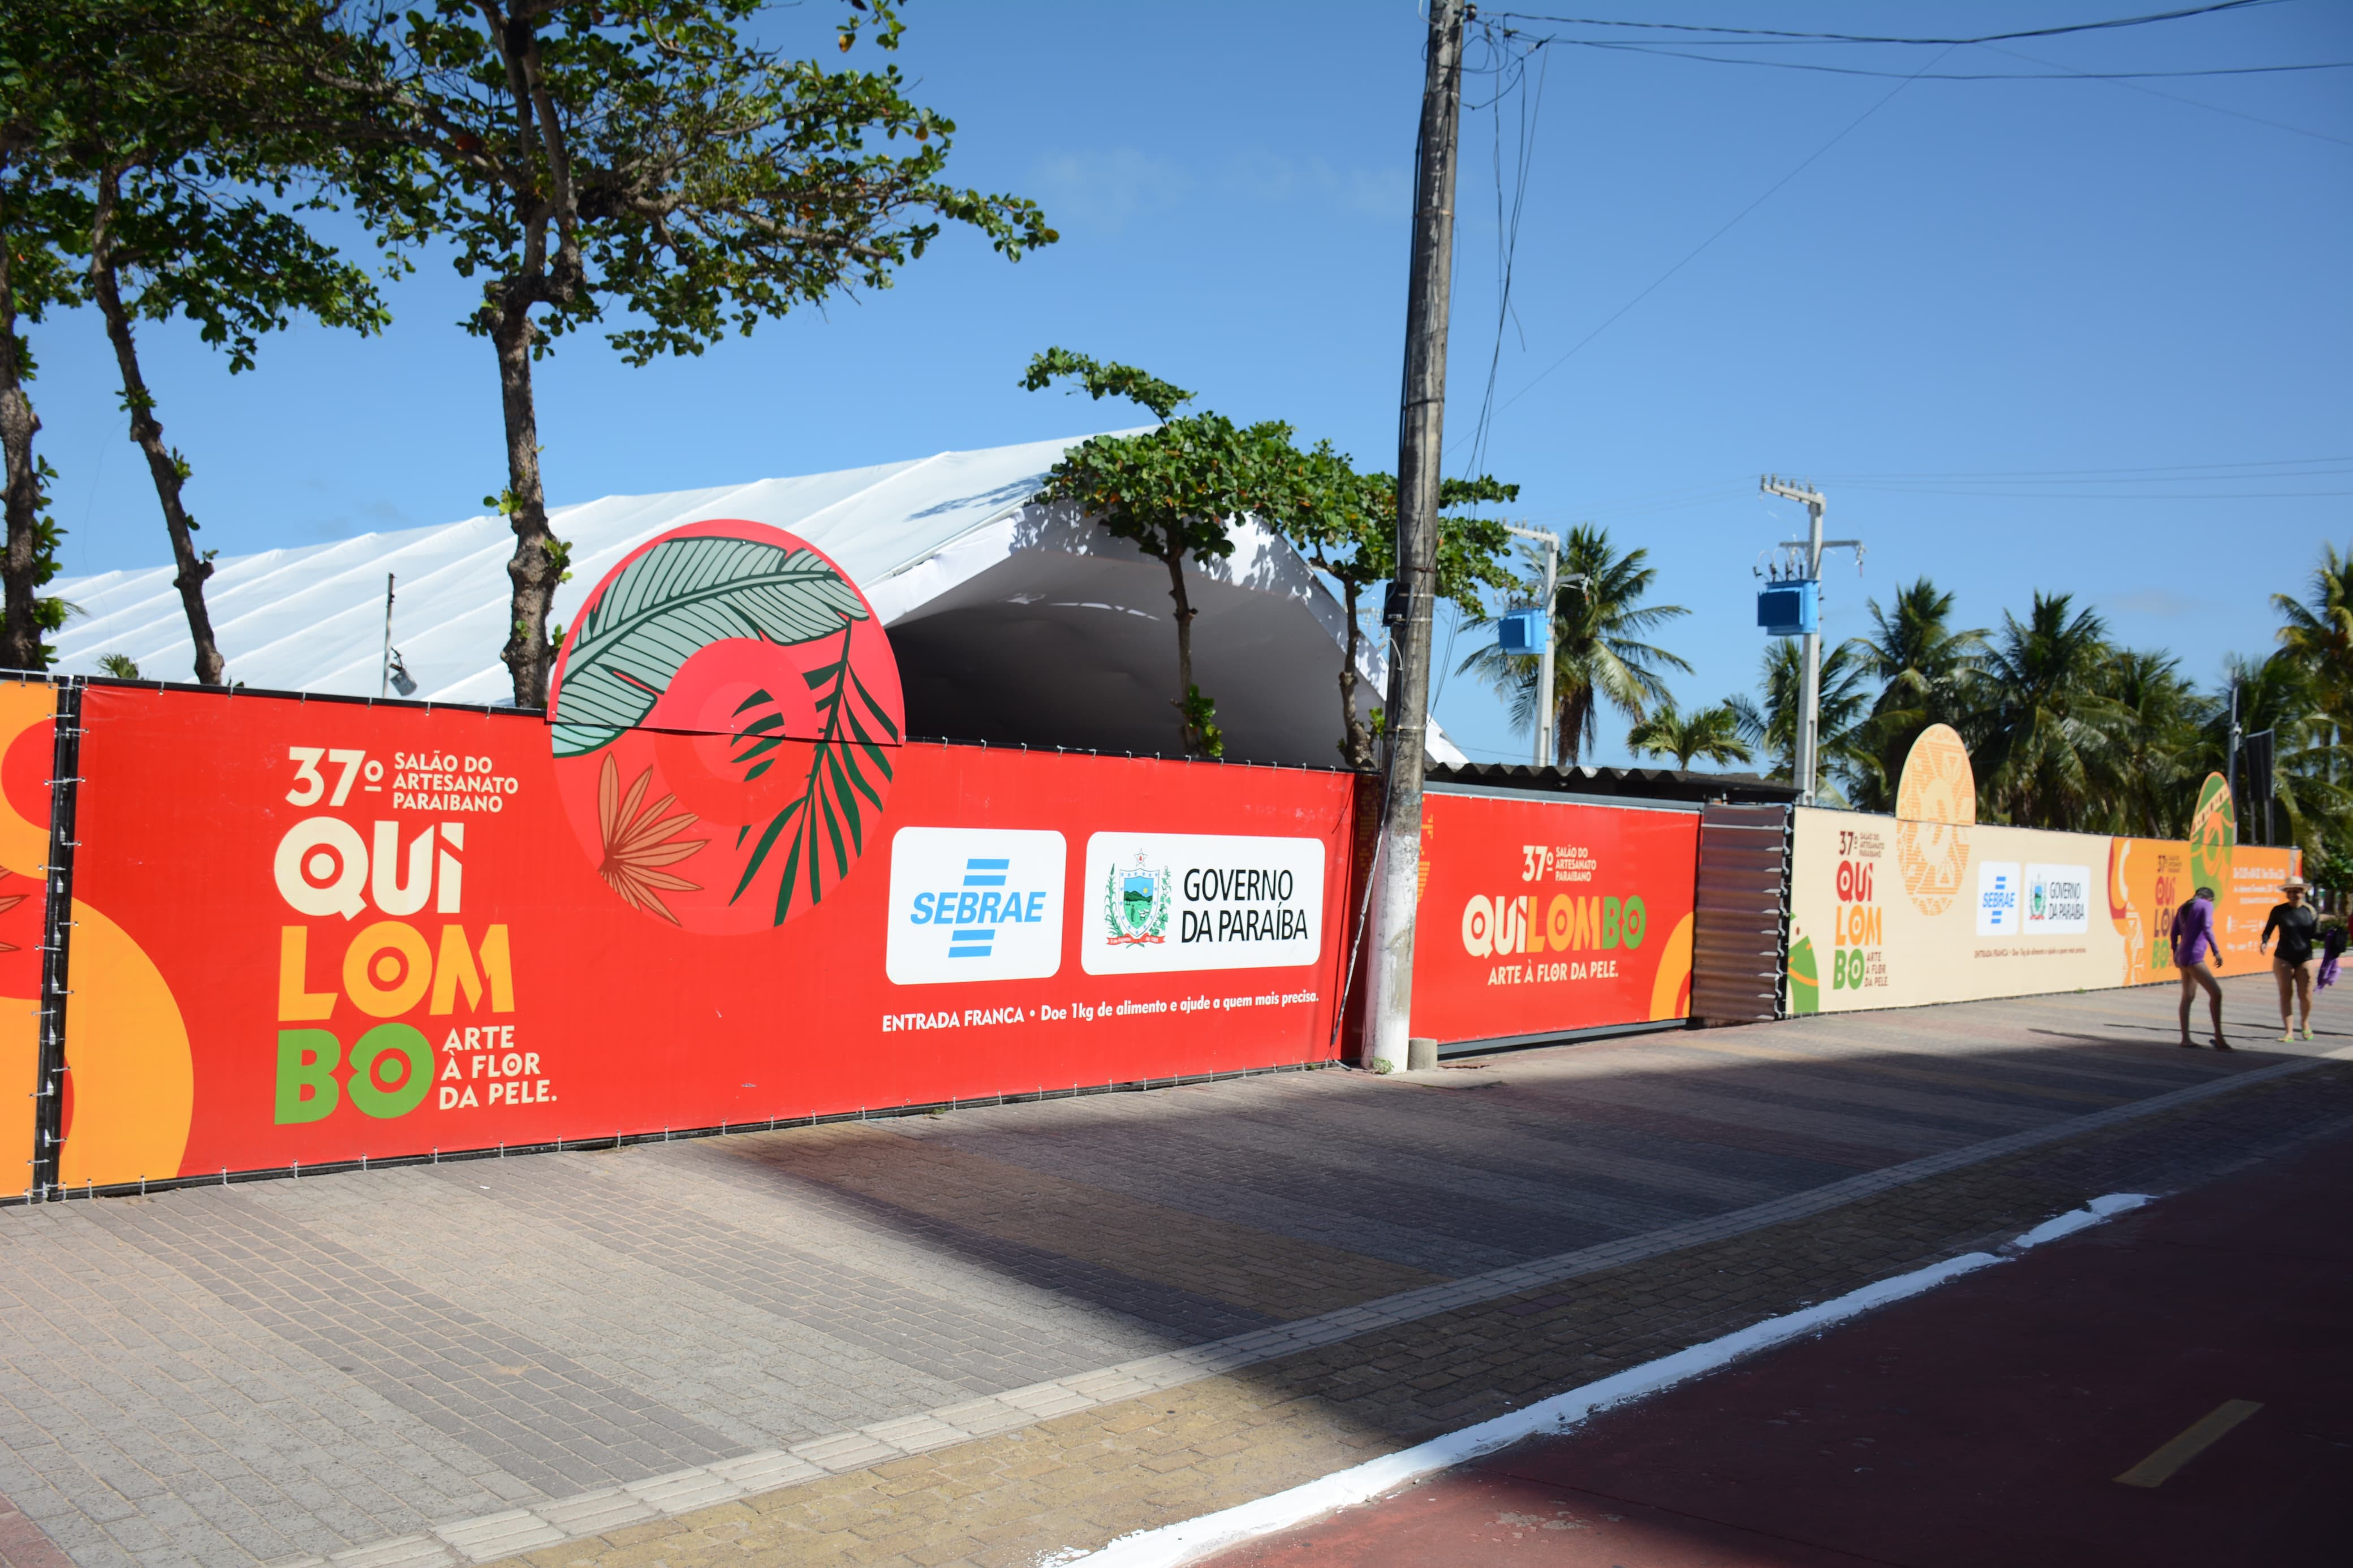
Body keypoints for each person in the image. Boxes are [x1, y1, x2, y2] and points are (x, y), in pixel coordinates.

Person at [2260, 876, 2320, 1043]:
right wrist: (2264, 942)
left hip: (2305, 957)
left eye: (2297, 891)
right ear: (2286, 893)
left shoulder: (2310, 911)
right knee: (2286, 993)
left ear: (2303, 893)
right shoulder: (2279, 911)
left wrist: (2332, 936)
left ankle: (2305, 1023)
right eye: (2290, 891)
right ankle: (2289, 1032)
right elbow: (2268, 930)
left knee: (2306, 995)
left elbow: (2315, 934)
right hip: (2283, 957)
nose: (2293, 894)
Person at [2170, 884, 2229, 1051]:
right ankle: (2219, 1038)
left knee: (2188, 997)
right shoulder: (2206, 905)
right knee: (2216, 993)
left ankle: (2186, 1039)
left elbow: (2174, 933)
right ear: (2210, 898)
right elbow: (2207, 928)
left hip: (2182, 955)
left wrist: (2175, 953)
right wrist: (2216, 951)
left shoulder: (2184, 906)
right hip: (2194, 956)